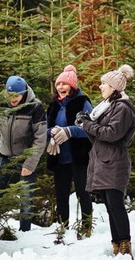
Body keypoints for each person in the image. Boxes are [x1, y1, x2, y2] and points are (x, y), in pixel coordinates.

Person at [75, 64, 135, 258]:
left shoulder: (123, 108)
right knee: (110, 207)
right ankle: (117, 245)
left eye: (104, 83)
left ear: (114, 88)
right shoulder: (108, 107)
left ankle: (125, 244)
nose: (100, 86)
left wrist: (88, 124)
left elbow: (112, 134)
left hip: (115, 162)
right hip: (104, 161)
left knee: (116, 205)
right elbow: (98, 137)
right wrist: (86, 123)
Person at [0, 75, 47, 232]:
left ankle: (25, 232)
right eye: (10, 95)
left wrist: (30, 163)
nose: (13, 99)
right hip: (4, 155)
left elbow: (40, 139)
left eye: (17, 95)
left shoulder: (35, 107)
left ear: (24, 93)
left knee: (26, 196)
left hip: (25, 157)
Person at [46, 65, 93, 238]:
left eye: (64, 84)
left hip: (79, 156)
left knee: (82, 192)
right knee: (61, 193)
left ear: (72, 87)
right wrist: (50, 132)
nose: (60, 87)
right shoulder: (53, 105)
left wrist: (69, 131)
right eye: (58, 84)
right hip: (59, 157)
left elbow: (90, 128)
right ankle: (62, 226)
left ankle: (87, 226)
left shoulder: (82, 102)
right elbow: (45, 127)